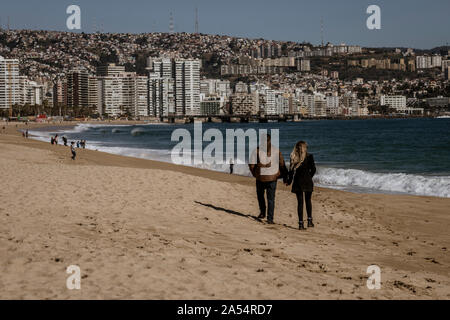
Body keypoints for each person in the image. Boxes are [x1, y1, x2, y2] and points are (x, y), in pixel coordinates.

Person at [249, 134, 288, 224]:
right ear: (270, 140)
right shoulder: (276, 150)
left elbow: (251, 165)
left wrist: (255, 174)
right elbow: (282, 164)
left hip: (260, 177)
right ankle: (270, 219)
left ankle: (263, 212)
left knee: (260, 196)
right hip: (272, 177)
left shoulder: (256, 151)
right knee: (271, 199)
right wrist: (285, 176)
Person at [286, 141, 317, 230]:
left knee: (300, 203)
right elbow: (313, 169)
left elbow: (291, 172)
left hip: (297, 182)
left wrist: (289, 181)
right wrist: (309, 177)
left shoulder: (293, 157)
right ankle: (310, 221)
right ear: (305, 148)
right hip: (307, 181)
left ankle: (300, 224)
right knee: (308, 201)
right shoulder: (309, 156)